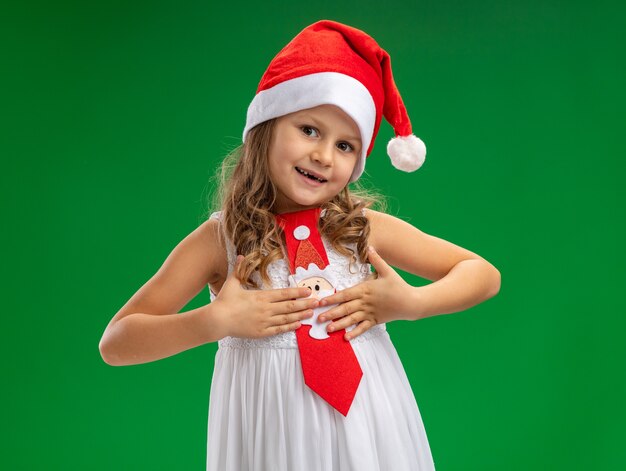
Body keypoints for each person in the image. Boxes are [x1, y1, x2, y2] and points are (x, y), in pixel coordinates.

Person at [99, 19, 501, 471]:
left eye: (346, 145)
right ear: (266, 127)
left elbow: (481, 274)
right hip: (269, 440)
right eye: (309, 129)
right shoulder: (219, 241)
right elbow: (116, 342)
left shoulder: (362, 230)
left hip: (369, 436)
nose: (324, 155)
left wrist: (410, 302)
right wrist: (214, 320)